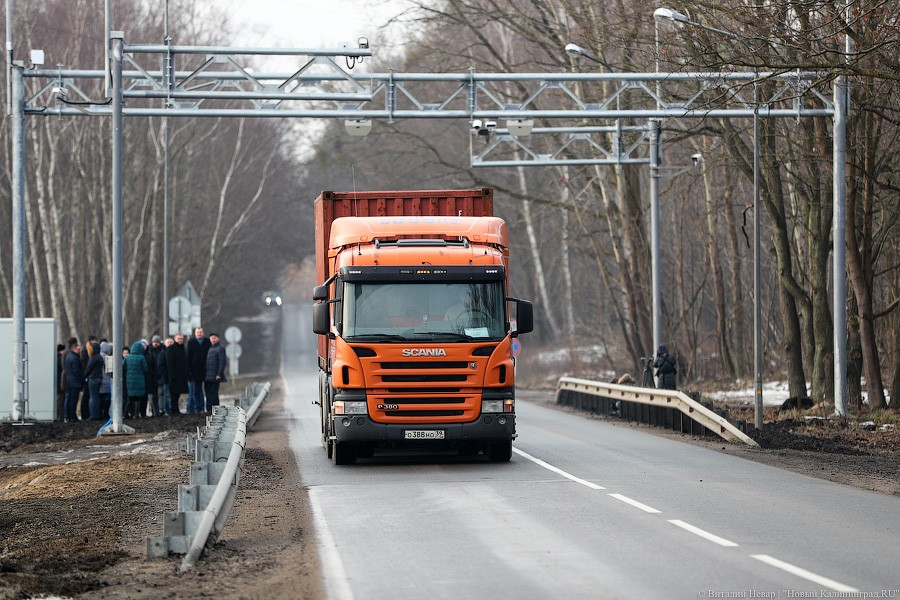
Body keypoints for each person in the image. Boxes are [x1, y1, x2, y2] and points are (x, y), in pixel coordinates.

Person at [186, 327, 211, 413]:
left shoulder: (207, 342)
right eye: (197, 332)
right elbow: (188, 357)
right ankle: (198, 408)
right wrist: (189, 371)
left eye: (200, 332)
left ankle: (206, 408)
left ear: (203, 333)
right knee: (196, 391)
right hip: (195, 371)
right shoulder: (191, 342)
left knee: (207, 391)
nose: (199, 334)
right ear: (195, 333)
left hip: (206, 370)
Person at [124, 341, 148, 419]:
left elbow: (124, 367)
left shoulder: (127, 357)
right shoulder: (142, 357)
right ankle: (136, 414)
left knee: (130, 398)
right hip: (140, 381)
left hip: (129, 381)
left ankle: (126, 413)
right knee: (139, 398)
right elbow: (145, 369)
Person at [166, 333, 189, 416]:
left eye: (181, 339)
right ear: (175, 339)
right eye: (178, 339)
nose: (180, 340)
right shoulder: (171, 349)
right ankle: (173, 410)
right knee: (174, 394)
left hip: (181, 376)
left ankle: (176, 410)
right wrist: (172, 375)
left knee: (178, 394)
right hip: (174, 376)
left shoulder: (183, 349)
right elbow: (170, 363)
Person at [204, 333, 227, 412]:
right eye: (211, 338)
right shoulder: (209, 348)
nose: (213, 340)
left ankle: (215, 409)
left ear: (218, 339)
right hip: (207, 376)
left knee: (214, 394)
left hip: (215, 376)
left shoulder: (220, 349)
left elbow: (222, 362)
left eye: (214, 338)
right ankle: (209, 409)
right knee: (208, 394)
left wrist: (219, 374)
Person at [63, 338, 83, 422]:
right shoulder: (75, 358)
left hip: (70, 382)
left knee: (71, 400)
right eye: (78, 349)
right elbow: (76, 371)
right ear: (74, 349)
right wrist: (81, 379)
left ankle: (70, 416)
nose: (79, 350)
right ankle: (73, 417)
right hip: (74, 383)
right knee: (73, 401)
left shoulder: (69, 356)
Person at [84, 340, 105, 420]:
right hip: (99, 378)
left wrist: (84, 376)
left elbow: (88, 369)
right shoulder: (100, 357)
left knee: (92, 398)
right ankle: (97, 414)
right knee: (97, 397)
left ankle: (93, 415)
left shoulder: (93, 358)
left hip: (93, 378)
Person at [146, 336, 163, 416]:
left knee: (160, 394)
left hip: (160, 376)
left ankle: (159, 410)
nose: (155, 344)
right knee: (153, 396)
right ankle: (154, 411)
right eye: (154, 342)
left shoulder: (162, 351)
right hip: (151, 377)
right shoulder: (149, 351)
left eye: (157, 342)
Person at [156, 337, 172, 416]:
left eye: (171, 342)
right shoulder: (163, 353)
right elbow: (160, 366)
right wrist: (165, 375)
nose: (170, 344)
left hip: (169, 378)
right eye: (168, 342)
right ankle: (165, 410)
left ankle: (166, 409)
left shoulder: (171, 352)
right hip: (165, 378)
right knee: (165, 394)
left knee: (166, 394)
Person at [98, 341, 113, 420]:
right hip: (106, 381)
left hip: (100, 381)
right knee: (107, 399)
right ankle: (105, 414)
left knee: (100, 399)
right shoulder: (107, 358)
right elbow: (109, 372)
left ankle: (100, 413)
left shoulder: (97, 356)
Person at [56, 343, 66, 422]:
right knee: (60, 401)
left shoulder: (56, 358)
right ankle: (60, 418)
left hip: (58, 383)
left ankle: (59, 417)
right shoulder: (60, 359)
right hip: (60, 383)